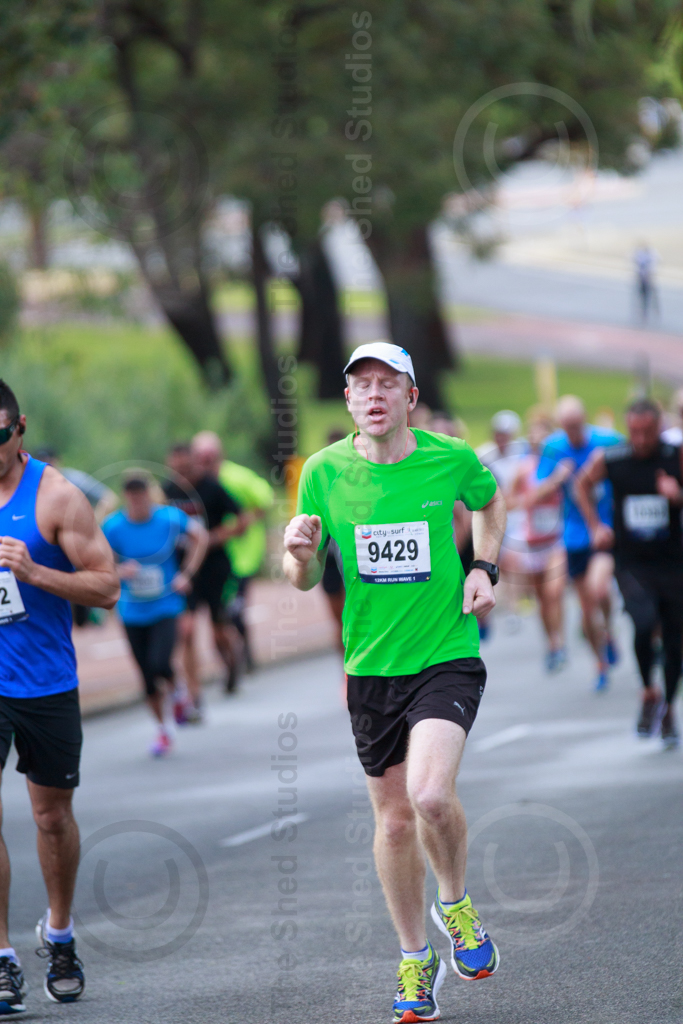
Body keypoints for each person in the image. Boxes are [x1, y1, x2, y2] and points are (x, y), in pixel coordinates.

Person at [283, 342, 506, 1023]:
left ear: (410, 397)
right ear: (348, 399)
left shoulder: (450, 458)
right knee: (395, 820)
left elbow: (491, 503)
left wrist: (484, 566)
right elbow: (302, 577)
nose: (373, 395)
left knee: (430, 794)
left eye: (387, 384)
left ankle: (455, 904)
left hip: (444, 653)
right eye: (362, 385)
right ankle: (415, 959)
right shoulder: (322, 472)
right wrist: (297, 555)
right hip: (370, 669)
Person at [0, 379, 119, 1010]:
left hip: (45, 681)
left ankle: (61, 932)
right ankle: (2, 958)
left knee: (51, 818)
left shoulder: (56, 496)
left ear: (18, 428)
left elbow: (106, 588)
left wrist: (35, 572)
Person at [575, 398, 683, 747]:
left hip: (672, 561)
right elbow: (581, 485)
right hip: (631, 561)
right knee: (643, 620)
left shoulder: (675, 456)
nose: (641, 439)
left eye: (648, 432)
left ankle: (669, 707)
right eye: (634, 431)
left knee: (675, 638)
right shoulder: (613, 458)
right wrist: (595, 526)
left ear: (659, 428)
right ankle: (649, 690)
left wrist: (676, 495)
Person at [103, 470, 207, 754]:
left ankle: (178, 692)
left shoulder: (169, 518)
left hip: (166, 605)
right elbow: (99, 558)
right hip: (132, 609)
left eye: (142, 495)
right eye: (133, 497)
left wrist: (187, 573)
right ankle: (163, 730)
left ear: (149, 494)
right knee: (147, 676)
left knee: (160, 662)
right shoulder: (113, 526)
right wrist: (118, 569)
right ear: (126, 497)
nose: (138, 502)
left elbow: (200, 536)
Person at [536, 395, 622, 691]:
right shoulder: (553, 447)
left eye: (576, 424)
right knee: (586, 606)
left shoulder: (608, 440)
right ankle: (600, 662)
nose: (573, 431)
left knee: (600, 590)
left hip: (605, 528)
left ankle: (608, 629)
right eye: (567, 426)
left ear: (584, 420)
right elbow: (538, 492)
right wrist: (556, 478)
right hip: (574, 534)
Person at [163, 437, 245, 702]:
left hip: (215, 568)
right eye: (177, 470)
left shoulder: (212, 487)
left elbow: (241, 520)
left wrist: (214, 538)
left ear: (194, 464)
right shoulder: (167, 491)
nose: (182, 475)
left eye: (186, 469)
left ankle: (232, 660)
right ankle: (194, 693)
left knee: (218, 631)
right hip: (184, 571)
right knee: (186, 631)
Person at [507, 412, 567, 671]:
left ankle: (560, 643)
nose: (538, 438)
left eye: (543, 433)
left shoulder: (560, 464)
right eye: (534, 432)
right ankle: (551, 643)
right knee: (543, 599)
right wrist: (536, 494)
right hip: (533, 541)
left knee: (555, 593)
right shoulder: (524, 469)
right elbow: (507, 501)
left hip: (557, 539)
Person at [34, 447, 118, 628]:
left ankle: (99, 615)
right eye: (42, 462)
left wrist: (93, 521)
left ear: (58, 461)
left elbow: (109, 498)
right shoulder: (33, 484)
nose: (48, 465)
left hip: (80, 538)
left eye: (50, 461)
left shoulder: (72, 479)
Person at [217, 440, 274, 671]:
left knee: (235, 608)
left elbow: (266, 498)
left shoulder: (237, 476)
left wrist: (245, 521)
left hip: (242, 558)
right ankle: (233, 660)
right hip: (216, 559)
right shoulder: (197, 482)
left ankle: (246, 654)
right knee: (220, 612)